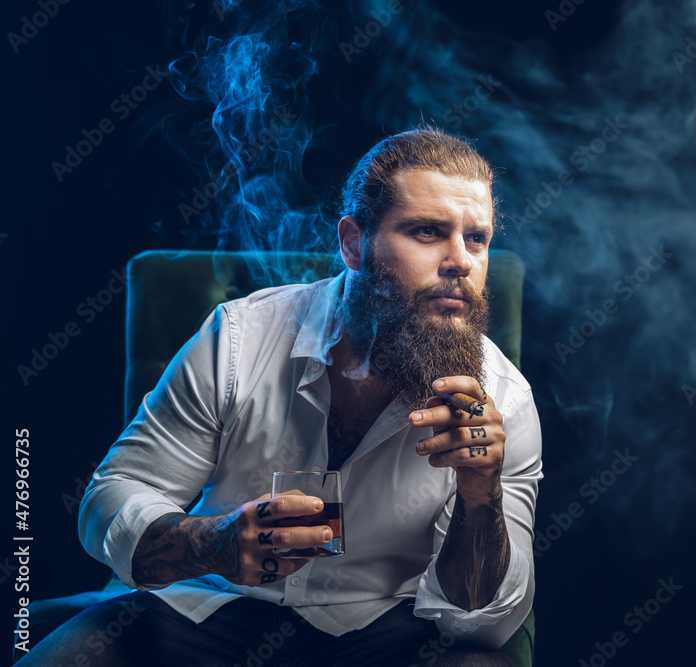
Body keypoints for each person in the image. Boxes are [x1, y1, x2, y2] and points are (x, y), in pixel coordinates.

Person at [18, 127, 542, 666]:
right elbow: (114, 494)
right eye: (429, 232)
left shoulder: (505, 401)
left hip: (387, 632)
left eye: (476, 238)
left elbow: (484, 621)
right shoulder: (241, 338)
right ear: (354, 243)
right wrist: (212, 543)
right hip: (214, 610)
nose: (462, 261)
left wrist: (483, 493)